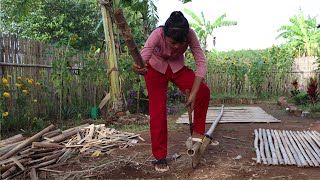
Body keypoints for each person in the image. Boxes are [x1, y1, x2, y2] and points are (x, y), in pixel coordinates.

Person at [132, 11, 210, 172]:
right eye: (172, 43)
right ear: (165, 35)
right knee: (158, 110)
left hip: (177, 68)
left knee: (203, 92)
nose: (176, 47)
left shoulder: (190, 35)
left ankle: (197, 135)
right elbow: (143, 57)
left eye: (180, 44)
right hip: (154, 69)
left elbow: (201, 62)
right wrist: (138, 68)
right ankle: (160, 156)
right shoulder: (157, 34)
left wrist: (194, 93)